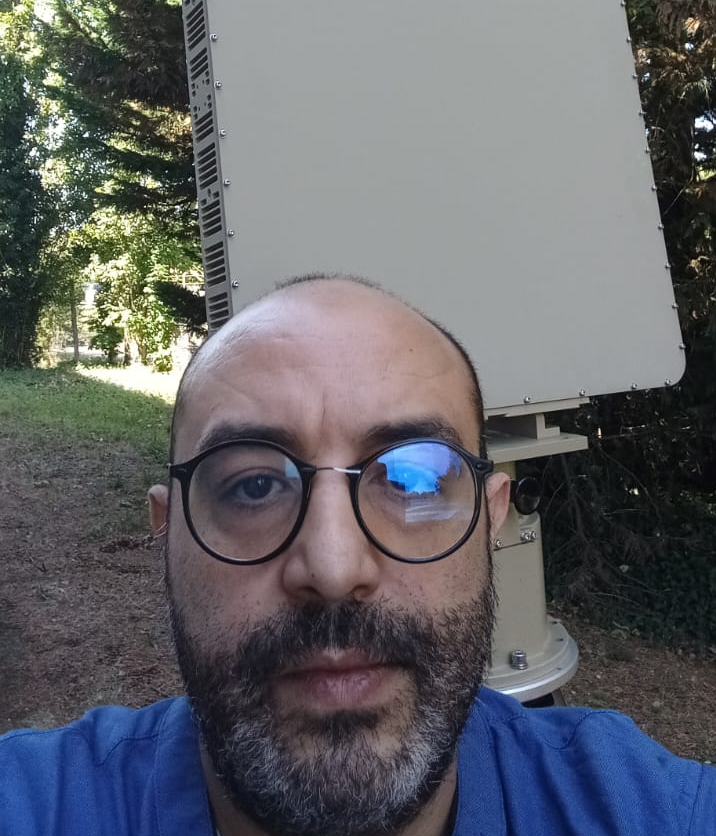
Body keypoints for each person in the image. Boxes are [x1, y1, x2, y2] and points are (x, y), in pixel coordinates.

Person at [1, 275, 714, 836]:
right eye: (254, 486)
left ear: (491, 521)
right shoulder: (36, 805)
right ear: (168, 533)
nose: (335, 570)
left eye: (412, 480)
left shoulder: (651, 812)